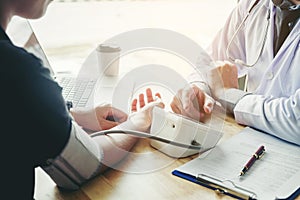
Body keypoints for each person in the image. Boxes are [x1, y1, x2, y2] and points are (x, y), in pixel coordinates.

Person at [0, 0, 163, 199]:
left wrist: (71, 114)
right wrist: (138, 121)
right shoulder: (16, 70)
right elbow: (85, 166)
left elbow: (13, 111)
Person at [171, 0, 300, 145]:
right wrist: (197, 90)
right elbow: (211, 60)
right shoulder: (253, 5)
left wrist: (229, 94)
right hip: (250, 142)